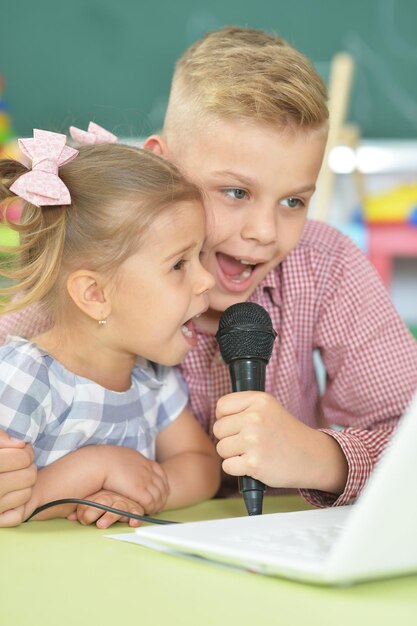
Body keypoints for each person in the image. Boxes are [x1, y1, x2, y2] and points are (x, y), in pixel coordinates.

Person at [2, 26, 417, 509]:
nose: (265, 231)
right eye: (236, 192)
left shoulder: (326, 265)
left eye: (293, 200)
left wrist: (321, 457)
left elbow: (407, 430)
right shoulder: (89, 270)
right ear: (163, 165)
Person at [0, 129, 220, 528]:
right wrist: (96, 468)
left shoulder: (151, 378)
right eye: (179, 264)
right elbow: (6, 502)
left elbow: (204, 466)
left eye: (200, 255)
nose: (207, 280)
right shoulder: (24, 378)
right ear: (95, 295)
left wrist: (146, 489)